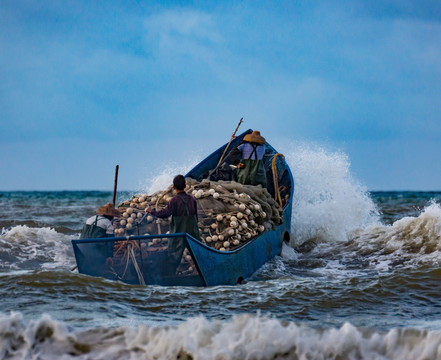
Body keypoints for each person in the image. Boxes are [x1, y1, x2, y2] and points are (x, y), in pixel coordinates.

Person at [145, 174, 200, 275]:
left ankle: (170, 277)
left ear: (174, 187)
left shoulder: (174, 201)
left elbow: (164, 214)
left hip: (178, 233)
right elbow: (196, 217)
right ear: (185, 186)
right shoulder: (192, 199)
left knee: (173, 256)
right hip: (193, 233)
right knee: (198, 254)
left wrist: (151, 211)